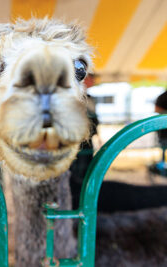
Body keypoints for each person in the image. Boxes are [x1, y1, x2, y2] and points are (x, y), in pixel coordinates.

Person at [69, 73, 99, 211]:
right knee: (77, 163)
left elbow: (94, 118)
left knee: (87, 162)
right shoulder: (74, 95)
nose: (92, 82)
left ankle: (83, 192)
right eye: (91, 79)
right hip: (77, 138)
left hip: (88, 137)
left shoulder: (90, 97)